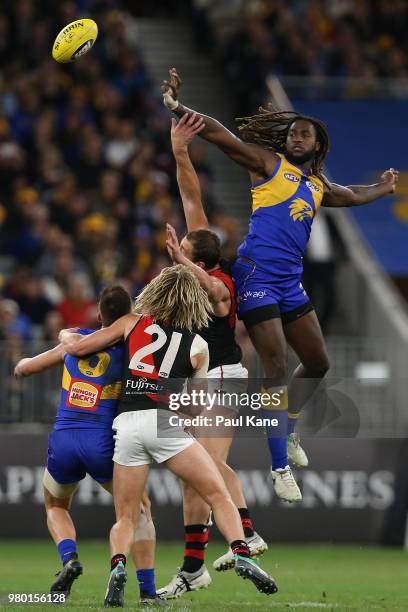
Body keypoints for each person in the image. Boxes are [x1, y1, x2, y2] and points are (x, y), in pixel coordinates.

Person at [161, 68, 399, 500]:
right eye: (292, 133)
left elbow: (352, 194)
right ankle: (279, 466)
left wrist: (383, 188)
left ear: (318, 144)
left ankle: (288, 430)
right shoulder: (268, 164)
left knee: (319, 362)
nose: (297, 137)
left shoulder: (318, 186)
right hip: (255, 277)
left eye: (305, 134)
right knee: (275, 368)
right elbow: (219, 136)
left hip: (290, 282)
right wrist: (181, 109)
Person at [59, 265, 278, 607]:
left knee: (128, 517)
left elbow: (78, 347)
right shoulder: (199, 345)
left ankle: (118, 567)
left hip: (128, 424)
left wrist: (66, 337)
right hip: (165, 424)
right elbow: (194, 407)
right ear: (193, 302)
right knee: (218, 495)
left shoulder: (130, 322)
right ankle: (242, 553)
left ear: (155, 292)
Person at [157, 113, 267, 600]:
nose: (177, 248)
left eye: (183, 247)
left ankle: (247, 532)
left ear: (198, 258)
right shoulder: (200, 257)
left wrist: (181, 262)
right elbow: (191, 197)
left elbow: (208, 287)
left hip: (222, 378)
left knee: (201, 463)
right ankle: (192, 567)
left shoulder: (218, 282)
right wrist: (180, 152)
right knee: (192, 477)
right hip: (199, 382)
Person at [14, 286, 158, 605]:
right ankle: (147, 591)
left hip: (64, 437)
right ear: (128, 316)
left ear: (99, 315)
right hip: (102, 442)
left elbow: (27, 367)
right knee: (141, 510)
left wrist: (21, 364)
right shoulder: (132, 350)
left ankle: (69, 559)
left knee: (55, 504)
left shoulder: (76, 340)